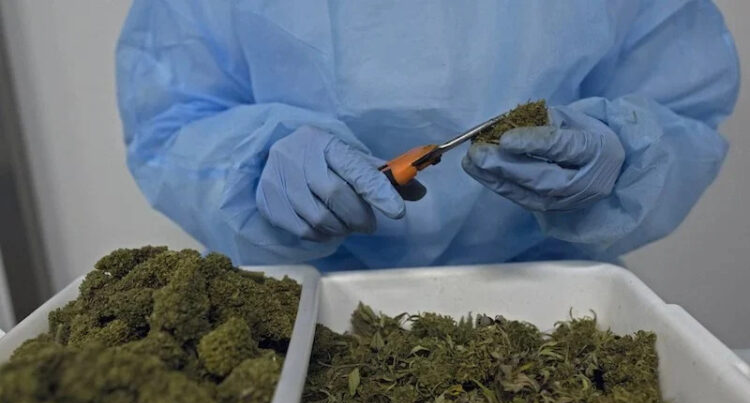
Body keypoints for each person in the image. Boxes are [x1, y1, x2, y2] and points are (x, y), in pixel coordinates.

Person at [116, 1, 739, 271]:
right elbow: (171, 120)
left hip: (553, 301)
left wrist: (622, 156)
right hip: (303, 310)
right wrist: (250, 165)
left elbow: (680, 105)